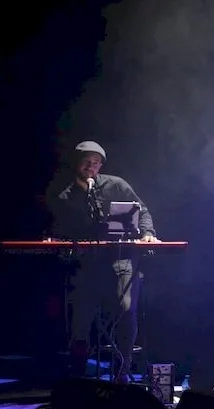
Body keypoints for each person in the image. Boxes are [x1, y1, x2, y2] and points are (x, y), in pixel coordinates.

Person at [47, 141, 158, 383]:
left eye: (96, 163)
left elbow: (143, 211)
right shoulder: (65, 197)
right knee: (80, 318)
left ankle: (122, 373)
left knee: (126, 308)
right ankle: (77, 377)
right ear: (76, 163)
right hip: (87, 263)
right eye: (87, 161)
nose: (91, 167)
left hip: (121, 258)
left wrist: (147, 232)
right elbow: (60, 231)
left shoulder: (115, 185)